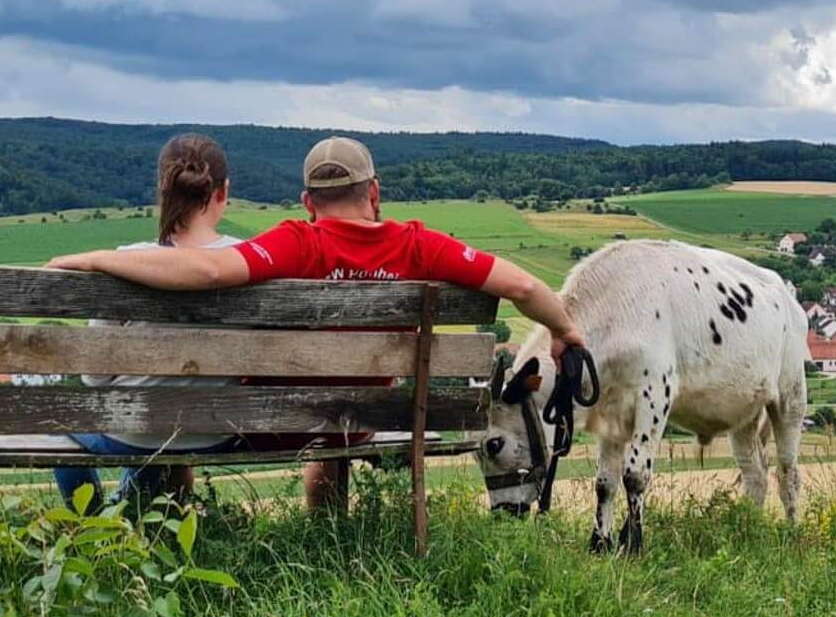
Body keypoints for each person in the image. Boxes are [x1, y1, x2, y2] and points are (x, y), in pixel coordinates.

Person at [47, 136, 587, 511]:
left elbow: (209, 268)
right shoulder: (420, 246)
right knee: (337, 419)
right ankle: (328, 533)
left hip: (267, 424)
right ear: (374, 193)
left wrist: (95, 259)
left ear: (308, 202)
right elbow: (521, 287)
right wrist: (566, 332)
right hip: (358, 420)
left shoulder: (295, 242)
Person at [51, 133, 245, 509]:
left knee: (62, 427)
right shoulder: (249, 261)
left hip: (136, 431)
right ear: (223, 193)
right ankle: (140, 507)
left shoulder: (125, 262)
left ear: (163, 191)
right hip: (221, 429)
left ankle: (94, 528)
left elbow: (95, 377)